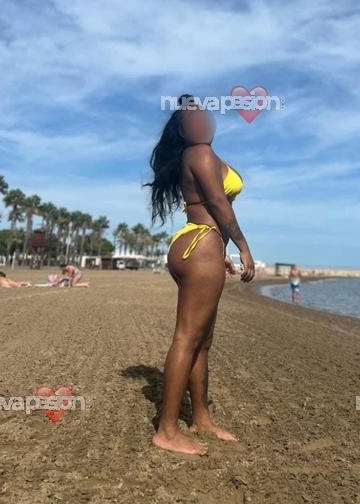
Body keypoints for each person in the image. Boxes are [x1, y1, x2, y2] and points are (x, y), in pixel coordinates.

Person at [145, 94, 255, 455]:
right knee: (188, 337)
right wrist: (242, 247)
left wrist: (220, 253)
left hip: (201, 244)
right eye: (191, 118)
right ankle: (166, 430)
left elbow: (210, 205)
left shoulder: (199, 155)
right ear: (182, 130)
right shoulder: (200, 153)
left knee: (202, 340)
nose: (202, 122)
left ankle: (201, 418)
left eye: (204, 115)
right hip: (201, 244)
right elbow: (219, 204)